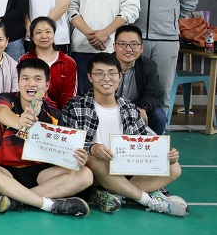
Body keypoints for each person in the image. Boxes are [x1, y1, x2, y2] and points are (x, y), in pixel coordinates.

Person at [61, 53, 187, 216]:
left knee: (174, 167)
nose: (106, 78)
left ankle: (114, 194)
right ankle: (148, 200)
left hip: (126, 169)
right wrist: (92, 148)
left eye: (112, 73)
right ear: (90, 77)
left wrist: (166, 153)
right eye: (99, 73)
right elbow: (67, 145)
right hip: (93, 172)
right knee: (95, 161)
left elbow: (144, 142)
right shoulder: (75, 106)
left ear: (120, 76)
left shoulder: (130, 108)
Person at [0, 58, 92, 217]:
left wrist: (76, 158)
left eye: (38, 79)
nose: (31, 84)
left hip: (40, 174)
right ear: (18, 82)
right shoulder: (6, 99)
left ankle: (16, 199)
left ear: (47, 85)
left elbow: (63, 151)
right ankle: (49, 204)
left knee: (86, 174)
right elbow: (1, 113)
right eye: (25, 78)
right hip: (5, 171)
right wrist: (19, 122)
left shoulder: (55, 115)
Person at [112, 25, 167, 135]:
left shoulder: (148, 66)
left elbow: (155, 94)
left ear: (141, 48)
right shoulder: (104, 65)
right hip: (110, 110)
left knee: (159, 116)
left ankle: (150, 144)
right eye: (122, 44)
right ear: (114, 47)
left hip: (138, 109)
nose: (128, 49)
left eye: (134, 44)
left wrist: (142, 107)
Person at [20, 17, 77, 110]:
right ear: (32, 36)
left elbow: (69, 95)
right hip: (31, 112)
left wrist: (60, 116)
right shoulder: (24, 60)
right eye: (38, 32)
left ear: (54, 34)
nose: (44, 36)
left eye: (48, 32)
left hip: (61, 114)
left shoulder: (68, 62)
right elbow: (22, 91)